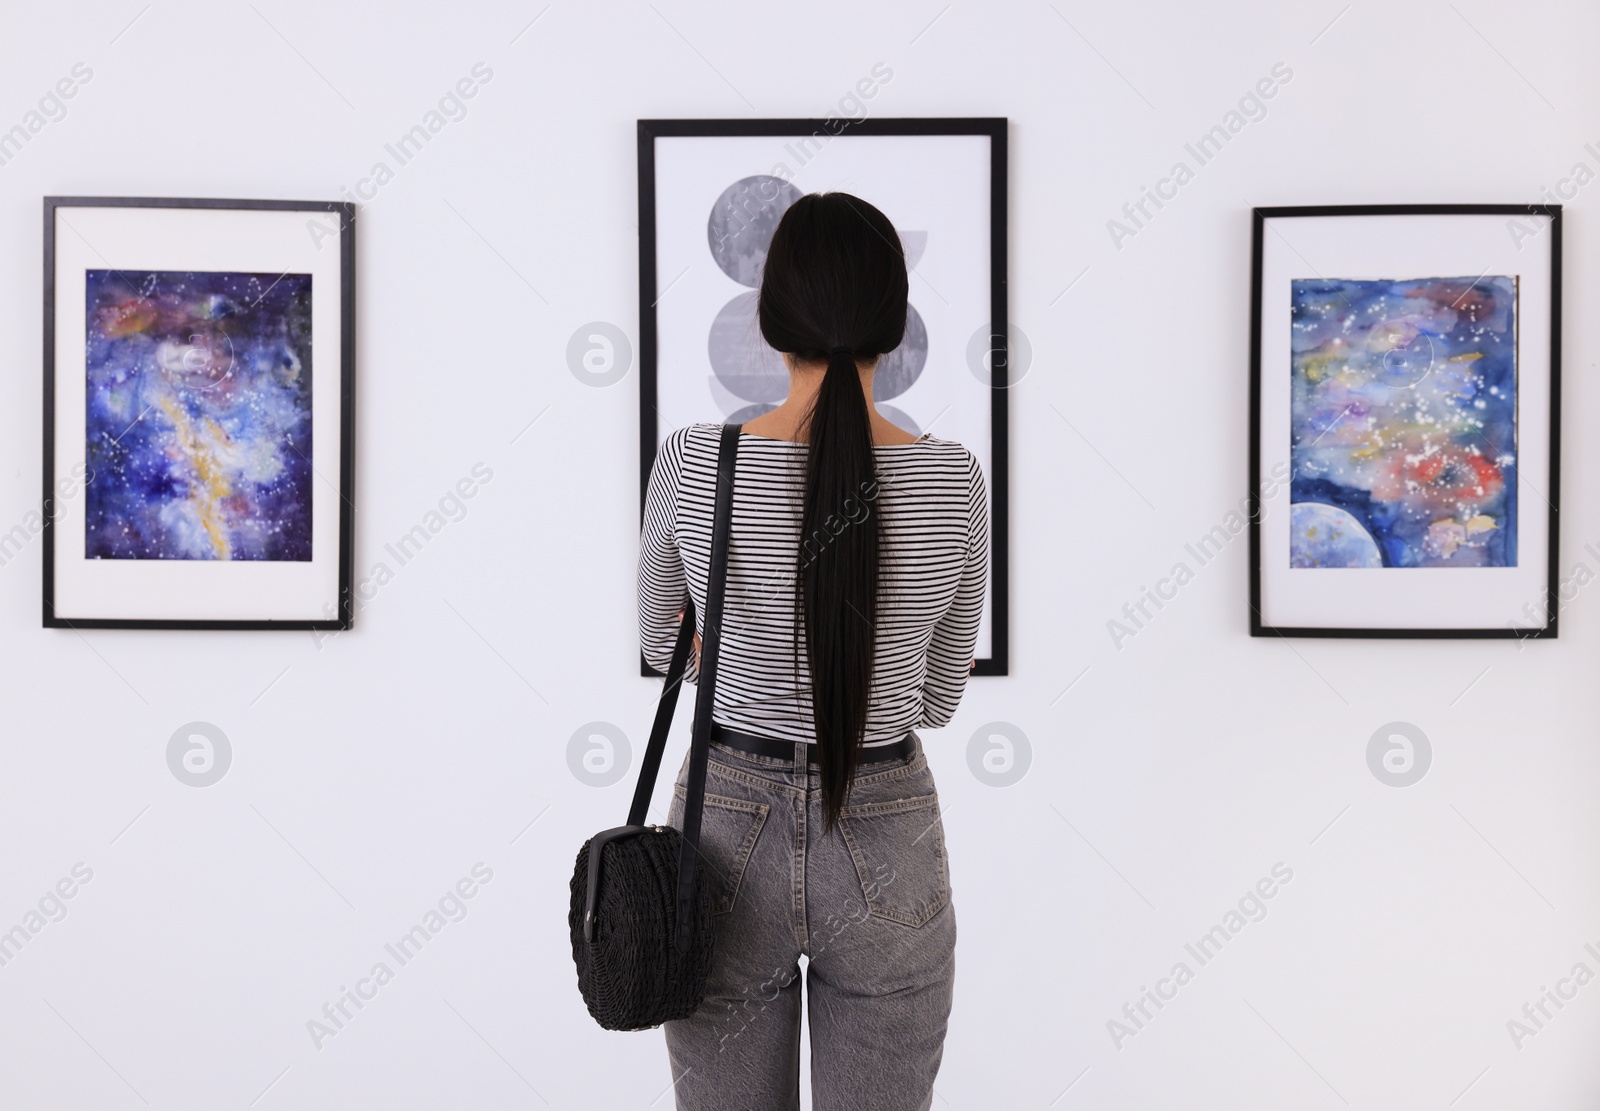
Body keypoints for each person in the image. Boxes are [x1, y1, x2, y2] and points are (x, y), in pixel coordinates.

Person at [638, 192, 990, 1111]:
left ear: (771, 319)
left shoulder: (695, 460)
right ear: (892, 324)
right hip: (887, 833)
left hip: (724, 832)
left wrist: (749, 652)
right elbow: (941, 698)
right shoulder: (953, 479)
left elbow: (657, 644)